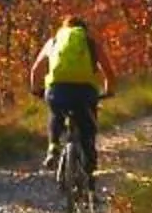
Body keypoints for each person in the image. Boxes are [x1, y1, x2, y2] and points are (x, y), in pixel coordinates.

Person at [30, 15, 104, 181]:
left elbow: (35, 70)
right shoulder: (90, 42)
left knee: (56, 112)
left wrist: (36, 90)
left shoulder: (54, 41)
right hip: (85, 92)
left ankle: (53, 147)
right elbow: (109, 72)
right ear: (83, 30)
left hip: (57, 90)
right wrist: (109, 90)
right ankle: (89, 170)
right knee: (88, 128)